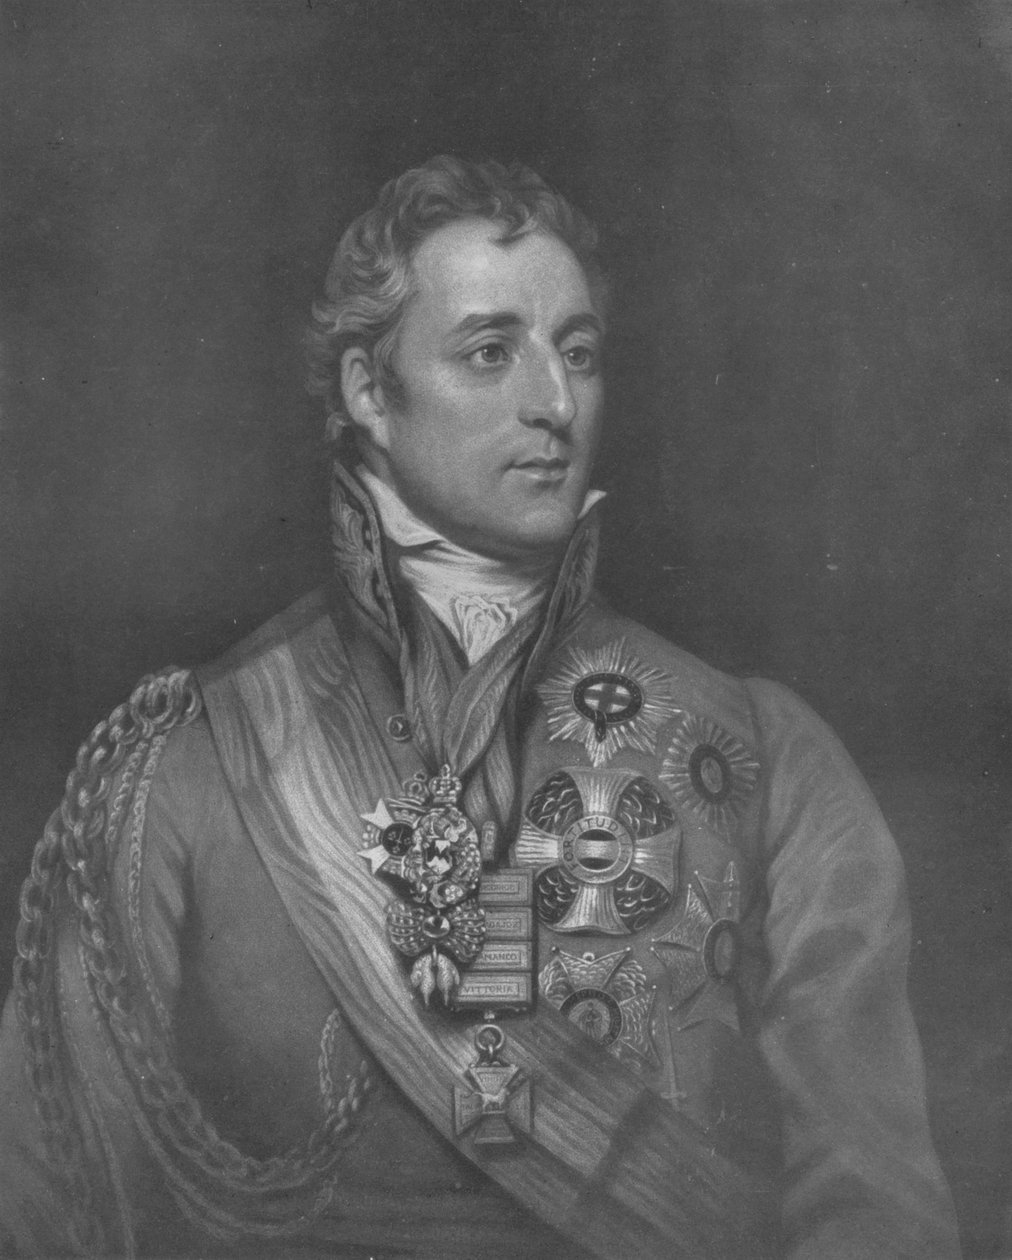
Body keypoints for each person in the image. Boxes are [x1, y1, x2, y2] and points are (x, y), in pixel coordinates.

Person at [0, 156, 960, 1259]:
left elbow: (879, 1215)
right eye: (490, 352)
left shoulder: (764, 759)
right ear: (369, 392)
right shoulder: (186, 766)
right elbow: (47, 1209)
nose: (555, 404)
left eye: (578, 352)